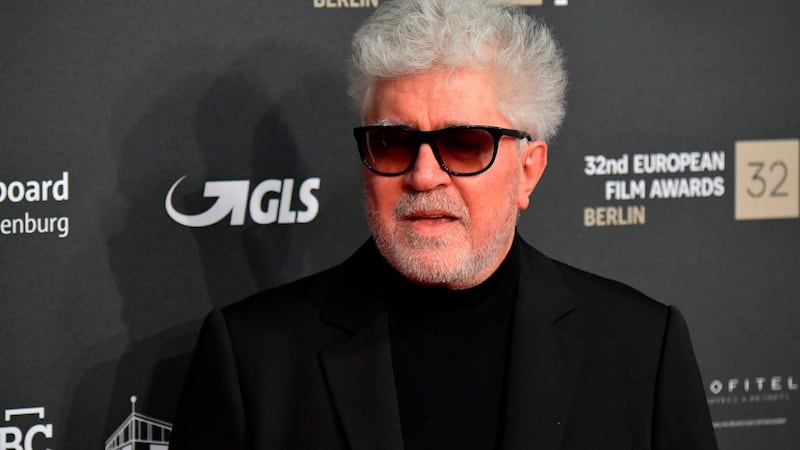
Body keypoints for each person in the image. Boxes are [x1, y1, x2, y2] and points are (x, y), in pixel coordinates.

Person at [170, 0, 718, 449]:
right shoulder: (253, 359)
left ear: (528, 171)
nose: (424, 175)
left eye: (463, 143)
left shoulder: (641, 349)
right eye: (393, 142)